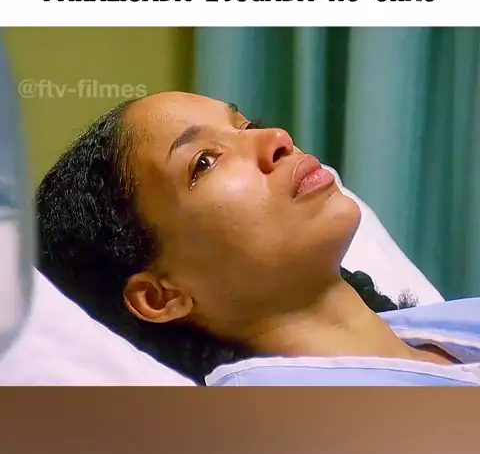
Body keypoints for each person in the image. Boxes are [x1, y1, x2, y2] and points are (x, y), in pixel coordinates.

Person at [36, 92, 457, 384]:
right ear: (161, 296)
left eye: (245, 126)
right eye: (204, 162)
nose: (278, 138)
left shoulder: (447, 331)